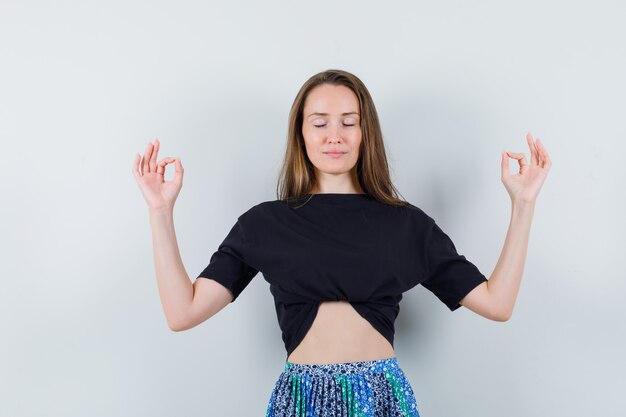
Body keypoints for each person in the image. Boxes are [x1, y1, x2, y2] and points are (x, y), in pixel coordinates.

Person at [132, 69, 552, 417]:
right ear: (301, 133)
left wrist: (524, 204)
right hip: (301, 400)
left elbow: (497, 304)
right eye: (320, 122)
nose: (335, 135)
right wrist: (160, 211)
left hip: (382, 398)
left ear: (365, 132)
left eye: (349, 122)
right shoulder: (264, 223)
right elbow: (182, 312)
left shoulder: (407, 224)